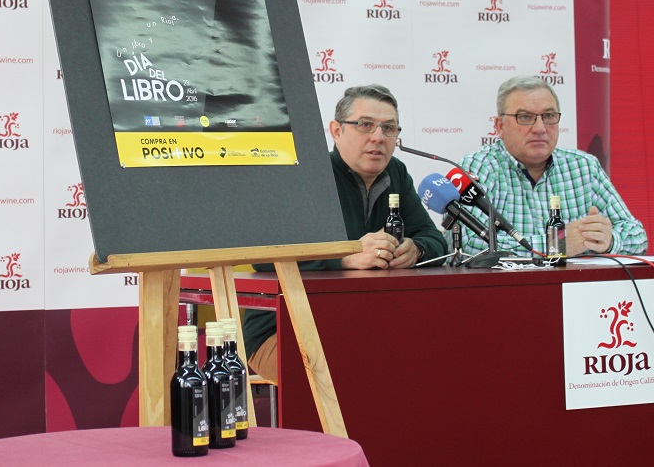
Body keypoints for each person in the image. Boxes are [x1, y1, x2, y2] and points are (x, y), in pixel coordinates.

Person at [243, 84, 449, 382]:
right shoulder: (306, 174)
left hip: (365, 326)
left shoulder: (397, 174)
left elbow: (435, 239)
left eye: (388, 128)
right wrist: (345, 256)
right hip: (283, 328)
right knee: (350, 377)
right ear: (336, 130)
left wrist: (416, 249)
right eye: (365, 125)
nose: (378, 137)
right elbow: (264, 254)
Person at [460, 75, 646, 257]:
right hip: (508, 287)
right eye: (525, 117)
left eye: (549, 116)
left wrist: (608, 241)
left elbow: (637, 236)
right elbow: (467, 244)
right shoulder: (479, 168)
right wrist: (557, 244)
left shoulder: (583, 167)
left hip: (576, 286)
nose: (540, 128)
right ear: (499, 126)